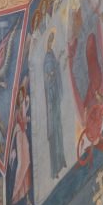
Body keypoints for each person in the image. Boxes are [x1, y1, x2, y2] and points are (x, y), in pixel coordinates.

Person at [43, 32, 66, 180]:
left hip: (55, 99)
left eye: (53, 41)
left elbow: (54, 70)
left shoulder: (51, 55)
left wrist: (59, 61)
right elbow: (48, 77)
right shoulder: (46, 58)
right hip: (51, 101)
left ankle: (61, 161)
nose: (52, 44)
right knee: (54, 134)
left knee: (59, 131)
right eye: (51, 42)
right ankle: (54, 170)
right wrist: (51, 74)